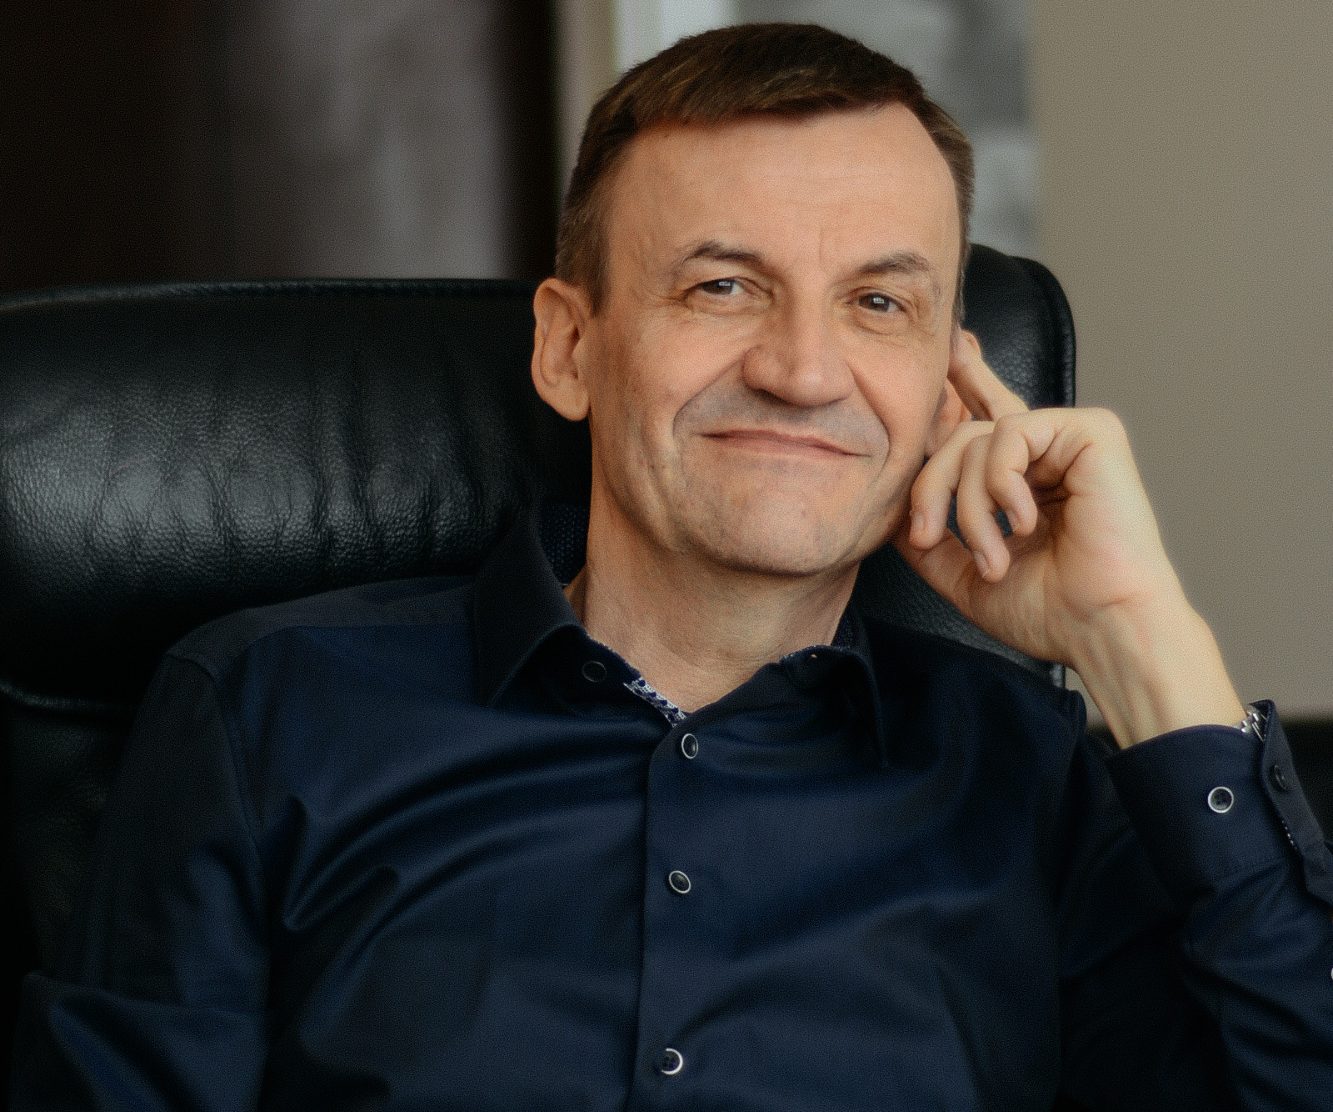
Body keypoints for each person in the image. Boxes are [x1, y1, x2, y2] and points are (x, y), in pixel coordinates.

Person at [11, 22, 1332, 1112]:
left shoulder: (1030, 776)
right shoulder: (265, 713)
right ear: (569, 348)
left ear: (949, 384)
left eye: (878, 302)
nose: (802, 370)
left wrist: (1139, 639)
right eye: (722, 286)